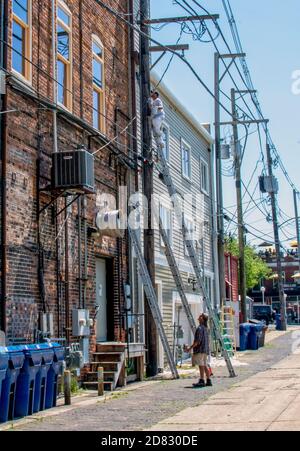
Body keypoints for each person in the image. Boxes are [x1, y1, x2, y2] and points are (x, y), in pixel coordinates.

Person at [187, 313, 212, 388]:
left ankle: (201, 380)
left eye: (200, 316)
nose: (198, 317)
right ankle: (208, 380)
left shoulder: (200, 328)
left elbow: (197, 341)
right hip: (205, 350)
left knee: (201, 366)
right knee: (205, 365)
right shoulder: (206, 328)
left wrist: (190, 348)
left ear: (202, 319)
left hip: (200, 350)